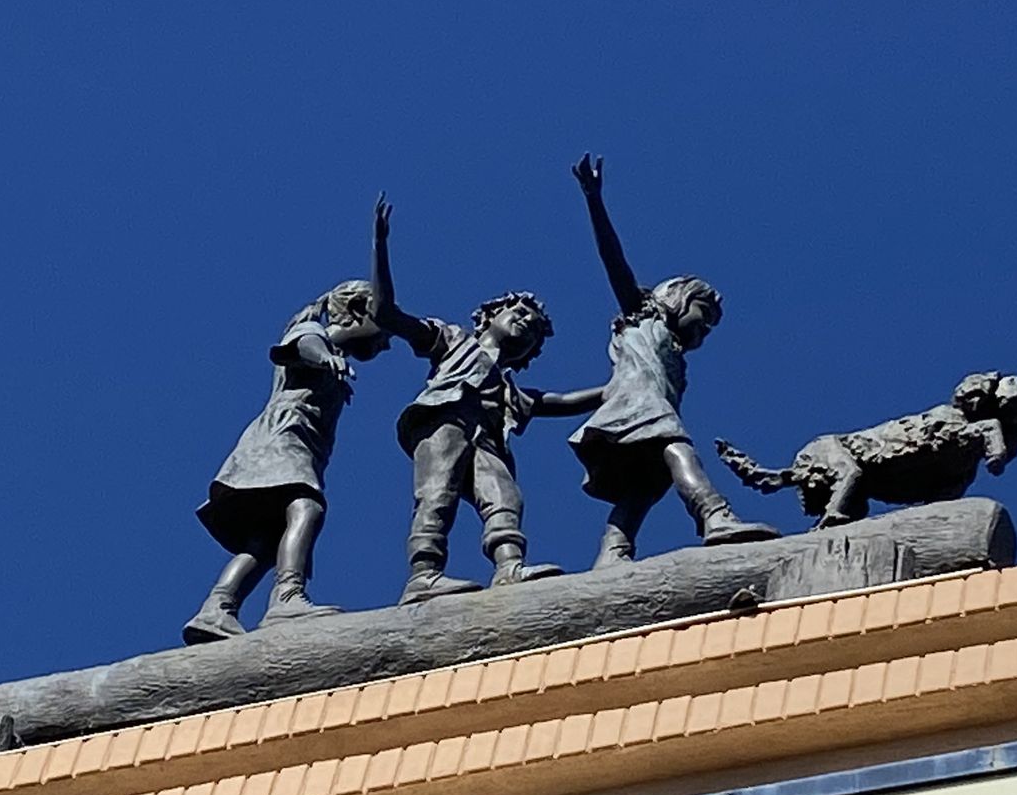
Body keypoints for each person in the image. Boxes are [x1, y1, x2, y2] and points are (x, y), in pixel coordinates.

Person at [182, 197, 397, 644]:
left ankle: (217, 608)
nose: (387, 342)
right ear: (359, 313)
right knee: (306, 507)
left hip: (293, 445)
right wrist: (327, 360)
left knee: (265, 540)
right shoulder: (315, 335)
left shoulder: (331, 349)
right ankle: (287, 599)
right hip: (282, 438)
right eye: (381, 330)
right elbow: (299, 346)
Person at [373, 209, 605, 604]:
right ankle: (424, 574)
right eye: (520, 314)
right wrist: (380, 245)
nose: (526, 324)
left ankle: (509, 567)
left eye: (534, 330)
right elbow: (387, 314)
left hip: (487, 438)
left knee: (504, 495)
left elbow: (560, 401)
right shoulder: (452, 340)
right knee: (438, 492)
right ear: (489, 316)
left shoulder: (510, 389)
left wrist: (616, 389)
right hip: (445, 418)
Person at [567, 153, 778, 570]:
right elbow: (614, 260)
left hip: (635, 409)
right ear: (679, 298)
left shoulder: (674, 356)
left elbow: (605, 392)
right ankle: (714, 515)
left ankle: (613, 552)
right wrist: (594, 199)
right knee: (677, 448)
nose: (706, 329)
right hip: (643, 410)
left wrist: (540, 404)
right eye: (704, 314)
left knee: (642, 488)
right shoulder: (641, 315)